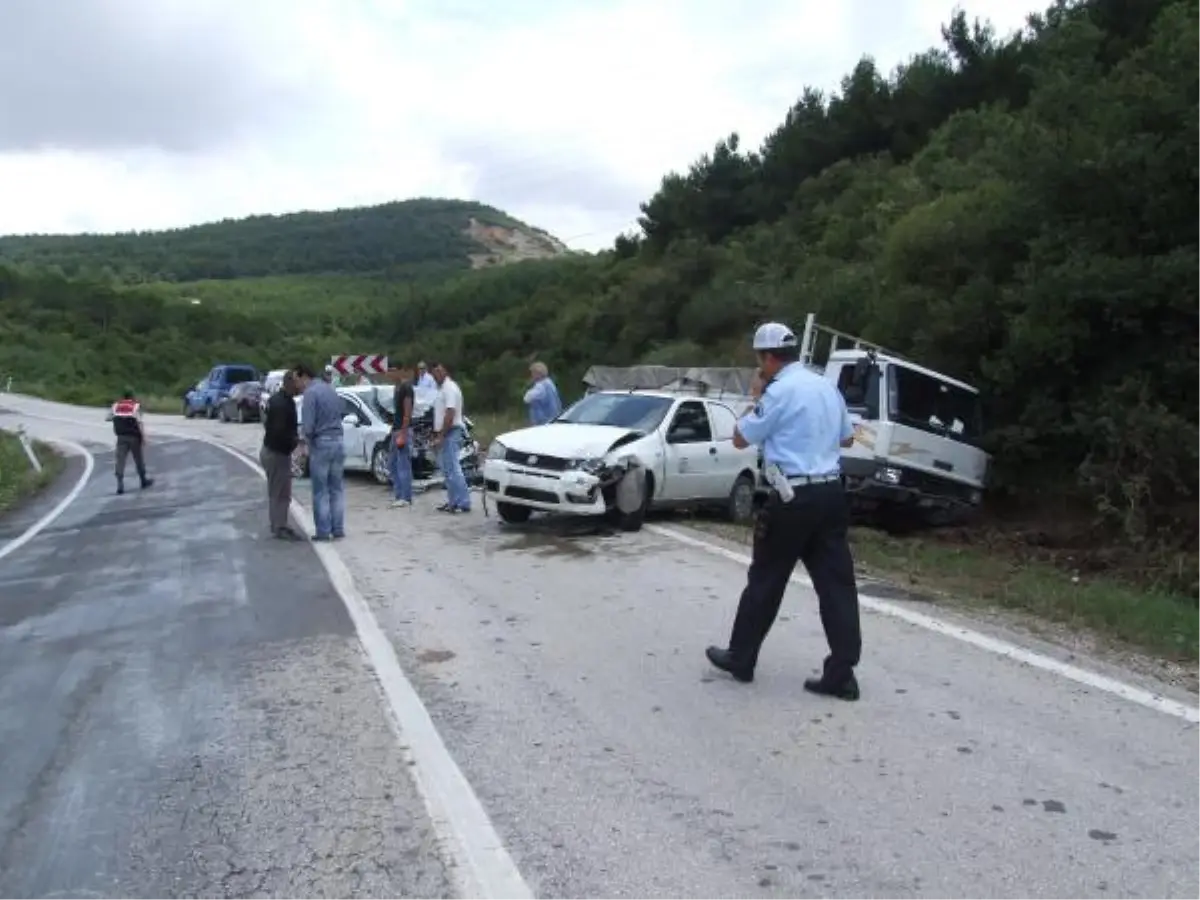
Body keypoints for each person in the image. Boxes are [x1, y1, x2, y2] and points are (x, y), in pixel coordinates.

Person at [704, 322, 863, 701]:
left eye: (760, 360)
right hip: (831, 494)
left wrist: (756, 398)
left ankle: (741, 658)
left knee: (767, 579)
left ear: (769, 357)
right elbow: (847, 437)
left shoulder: (778, 392)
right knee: (836, 585)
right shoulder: (826, 386)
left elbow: (741, 437)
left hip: (792, 497)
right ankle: (842, 673)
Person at [294, 362, 347, 541]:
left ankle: (323, 531)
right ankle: (338, 528)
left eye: (297, 380)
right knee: (337, 489)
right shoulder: (330, 389)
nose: (297, 385)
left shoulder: (310, 394)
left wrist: (303, 445)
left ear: (303, 376)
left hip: (321, 443)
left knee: (320, 490)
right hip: (338, 441)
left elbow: (308, 426)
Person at [260, 370, 303, 541]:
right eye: (297, 382)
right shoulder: (282, 404)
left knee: (276, 490)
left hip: (271, 449)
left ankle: (277, 524)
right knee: (281, 492)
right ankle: (280, 526)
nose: (299, 385)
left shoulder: (278, 400)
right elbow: (279, 431)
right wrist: (295, 442)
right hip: (277, 452)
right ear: (290, 383)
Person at [430, 361, 471, 514]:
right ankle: (453, 501)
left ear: (445, 371)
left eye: (439, 371)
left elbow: (450, 412)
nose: (436, 375)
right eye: (434, 372)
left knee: (453, 468)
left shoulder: (450, 388)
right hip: (446, 431)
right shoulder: (442, 389)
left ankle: (463, 502)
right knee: (447, 469)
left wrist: (441, 435)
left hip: (451, 431)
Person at [110, 388, 154, 495]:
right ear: (132, 397)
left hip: (121, 436)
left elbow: (108, 418)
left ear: (123, 397)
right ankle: (143, 480)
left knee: (120, 460)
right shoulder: (135, 406)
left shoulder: (115, 406)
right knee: (138, 459)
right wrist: (144, 438)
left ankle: (120, 484)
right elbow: (139, 423)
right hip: (134, 437)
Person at [389, 368, 415, 508]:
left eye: (392, 371)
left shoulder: (406, 388)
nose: (390, 375)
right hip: (395, 428)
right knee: (392, 464)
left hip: (402, 429)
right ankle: (399, 494)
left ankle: (406, 496)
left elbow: (407, 412)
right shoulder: (396, 388)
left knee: (403, 464)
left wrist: (403, 433)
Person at [523, 361, 562, 425]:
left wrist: (529, 386)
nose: (532, 375)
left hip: (543, 421)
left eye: (533, 373)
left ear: (538, 373)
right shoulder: (550, 383)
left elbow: (526, 398)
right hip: (554, 418)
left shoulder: (540, 386)